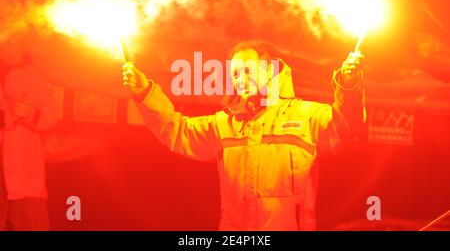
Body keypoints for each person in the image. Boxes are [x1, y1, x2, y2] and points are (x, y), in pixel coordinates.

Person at [122, 41, 365, 230]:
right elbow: (176, 131)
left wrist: (348, 83)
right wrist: (145, 93)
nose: (239, 79)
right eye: (235, 74)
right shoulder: (224, 124)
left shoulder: (307, 115)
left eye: (247, 70)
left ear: (270, 69)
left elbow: (346, 126)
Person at [0, 51, 58, 231]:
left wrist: (30, 114)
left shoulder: (30, 74)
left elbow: (52, 115)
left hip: (25, 177)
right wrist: (8, 114)